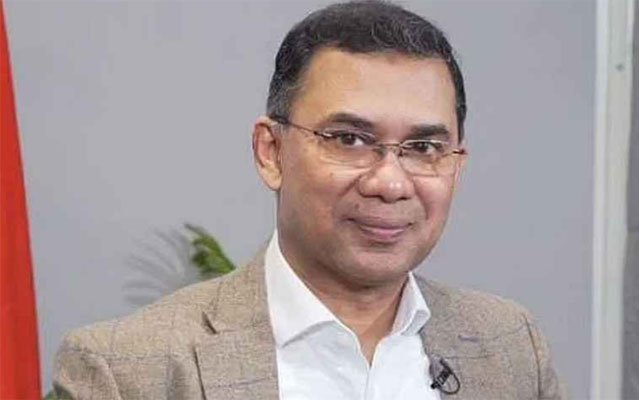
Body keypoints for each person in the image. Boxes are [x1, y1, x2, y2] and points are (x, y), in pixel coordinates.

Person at [53, 1, 566, 399]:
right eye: (350, 139)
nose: (390, 183)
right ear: (271, 152)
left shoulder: (510, 346)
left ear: (456, 162)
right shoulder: (128, 371)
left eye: (423, 148)